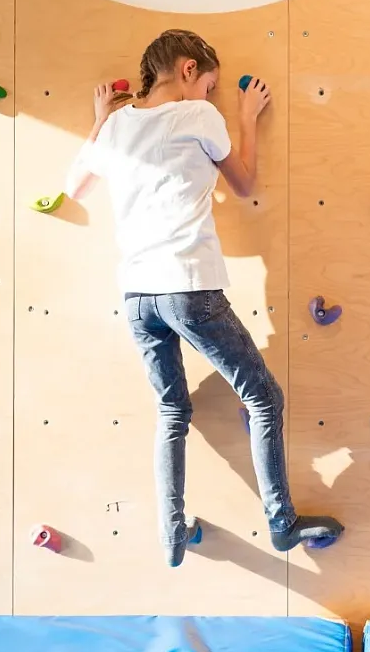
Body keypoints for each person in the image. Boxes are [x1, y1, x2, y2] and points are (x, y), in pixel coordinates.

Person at [67, 29, 344, 567]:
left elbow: (76, 187)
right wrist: (247, 115)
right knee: (264, 399)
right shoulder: (199, 117)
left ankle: (171, 533)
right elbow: (242, 184)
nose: (212, 95)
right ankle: (282, 523)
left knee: (172, 409)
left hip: (138, 295)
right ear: (189, 70)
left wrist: (101, 115)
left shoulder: (118, 125)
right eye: (211, 85)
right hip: (189, 286)